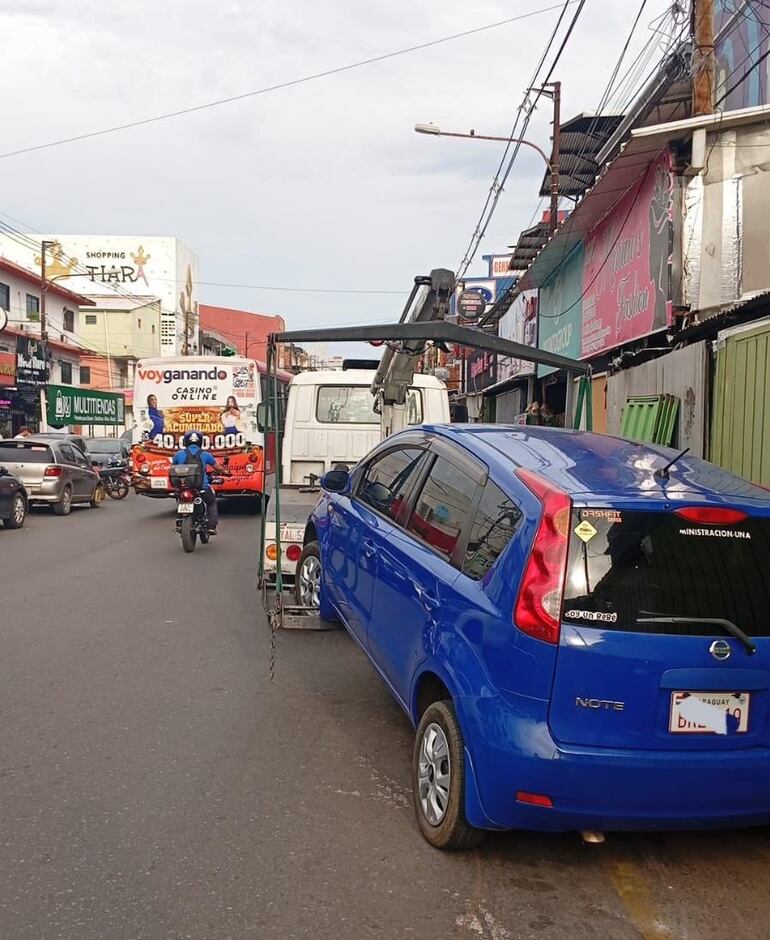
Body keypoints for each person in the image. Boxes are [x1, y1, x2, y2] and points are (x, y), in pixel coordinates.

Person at [171, 430, 226, 535]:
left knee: (179, 499)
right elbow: (218, 468)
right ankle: (211, 526)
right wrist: (226, 472)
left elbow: (173, 468)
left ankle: (179, 522)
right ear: (201, 441)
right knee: (211, 502)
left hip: (183, 488)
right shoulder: (206, 454)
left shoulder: (178, 454)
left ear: (185, 441)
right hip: (202, 487)